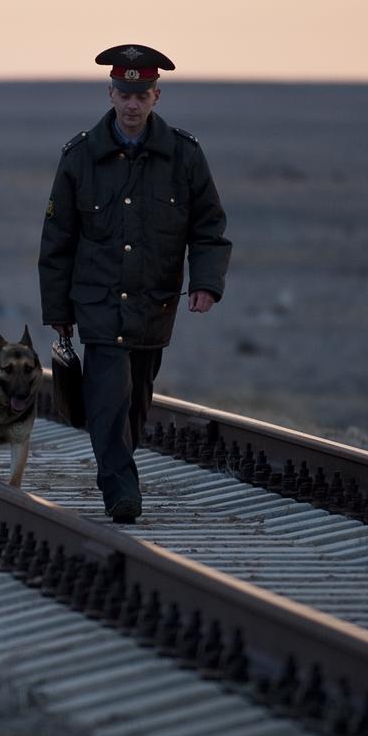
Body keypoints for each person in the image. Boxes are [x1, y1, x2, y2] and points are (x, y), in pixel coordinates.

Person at [38, 44, 232, 524]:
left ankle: (120, 470)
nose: (131, 104)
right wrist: (58, 313)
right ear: (110, 93)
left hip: (155, 302)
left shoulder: (183, 156)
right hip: (98, 303)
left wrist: (206, 283)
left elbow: (208, 227)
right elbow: (57, 239)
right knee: (107, 396)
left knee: (134, 401)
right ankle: (121, 491)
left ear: (156, 96)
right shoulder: (80, 157)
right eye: (124, 93)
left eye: (141, 94)